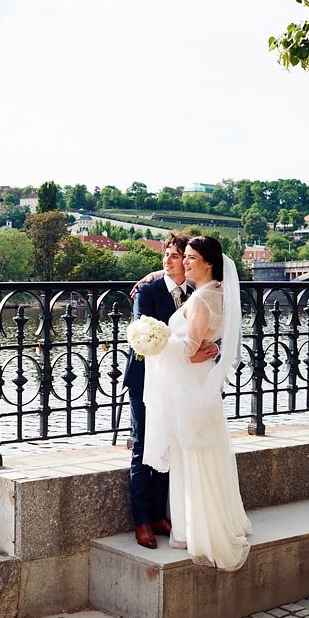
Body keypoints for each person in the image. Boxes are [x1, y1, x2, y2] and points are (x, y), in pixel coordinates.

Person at [143, 236, 251, 570]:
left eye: (191, 258)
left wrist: (154, 343)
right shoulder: (215, 292)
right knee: (204, 453)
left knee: (191, 456)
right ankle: (200, 523)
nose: (185, 263)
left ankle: (192, 531)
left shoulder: (203, 300)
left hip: (190, 385)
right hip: (198, 382)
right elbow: (199, 345)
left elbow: (189, 349)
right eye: (183, 257)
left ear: (208, 263)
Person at [122, 232, 218, 550]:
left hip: (176, 382)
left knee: (171, 445)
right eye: (167, 253)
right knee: (143, 446)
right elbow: (141, 338)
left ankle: (159, 515)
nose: (169, 259)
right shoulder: (147, 291)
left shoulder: (195, 292)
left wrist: (209, 348)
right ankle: (142, 522)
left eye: (177, 255)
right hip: (144, 381)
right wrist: (189, 352)